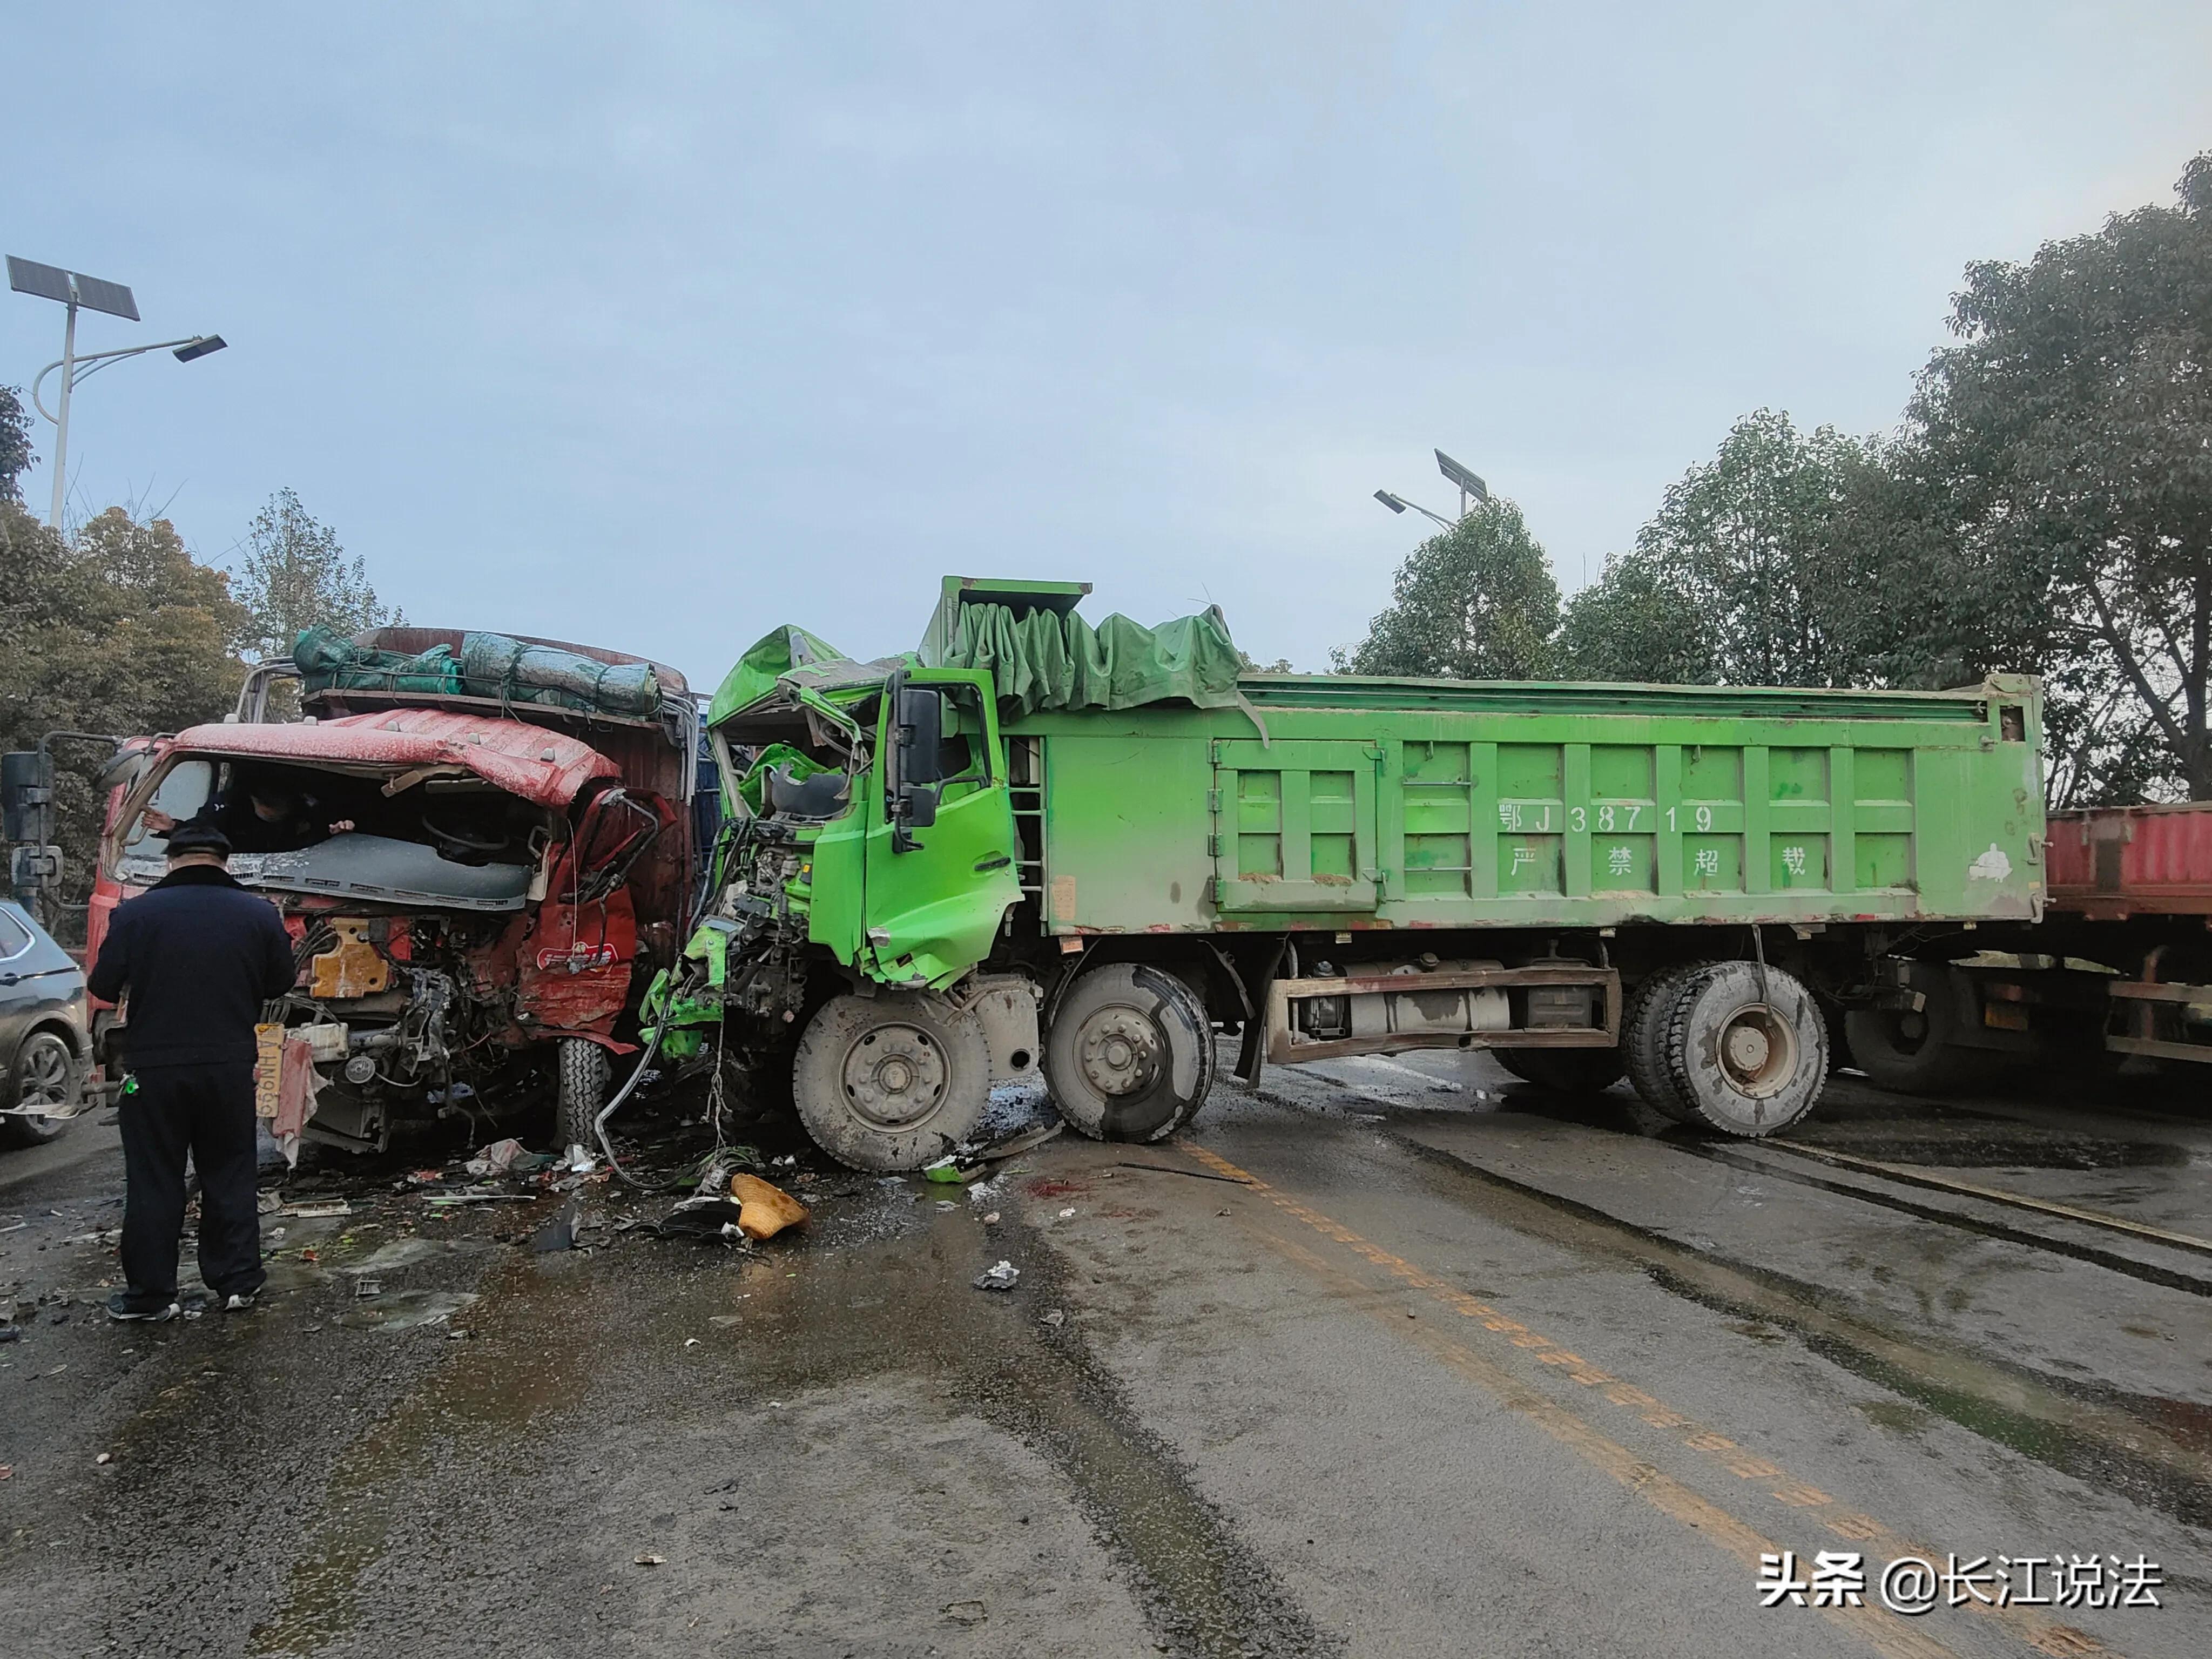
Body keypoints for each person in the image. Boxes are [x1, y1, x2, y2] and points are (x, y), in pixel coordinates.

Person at [87, 822, 298, 1321]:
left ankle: (151, 1297)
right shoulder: (258, 913)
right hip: (229, 1066)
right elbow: (281, 983)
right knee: (230, 1173)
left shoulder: (135, 914)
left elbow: (103, 984)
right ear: (225, 862)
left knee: (154, 1179)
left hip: (153, 1069)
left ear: (171, 860)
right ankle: (238, 1283)